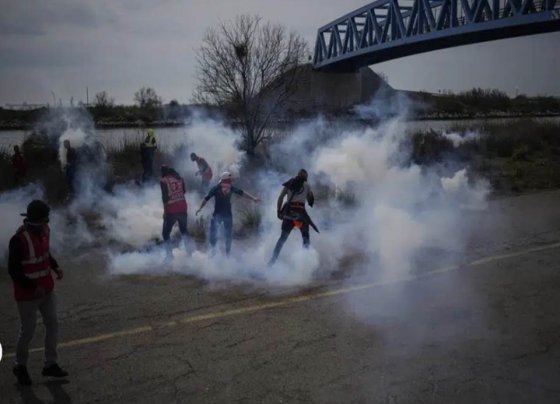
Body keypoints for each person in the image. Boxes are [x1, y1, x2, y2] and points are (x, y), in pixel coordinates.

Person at [9, 200, 68, 386]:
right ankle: (20, 366)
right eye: (45, 219)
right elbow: (14, 270)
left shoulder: (44, 232)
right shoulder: (18, 240)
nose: (48, 222)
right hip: (28, 296)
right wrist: (32, 287)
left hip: (46, 290)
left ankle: (50, 364)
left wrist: (55, 267)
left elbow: (44, 254)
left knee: (53, 324)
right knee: (27, 331)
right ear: (37, 219)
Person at [195, 172, 260, 256]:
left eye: (230, 181)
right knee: (214, 235)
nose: (230, 182)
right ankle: (214, 252)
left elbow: (242, 193)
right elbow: (206, 198)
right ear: (224, 180)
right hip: (218, 215)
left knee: (227, 235)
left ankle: (227, 255)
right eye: (228, 180)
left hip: (226, 215)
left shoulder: (228, 188)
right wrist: (200, 208)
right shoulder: (216, 189)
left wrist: (253, 198)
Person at [268, 169, 316, 266]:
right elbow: (310, 201)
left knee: (282, 239)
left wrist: (279, 210)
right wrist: (310, 196)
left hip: (288, 213)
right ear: (305, 178)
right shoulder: (307, 186)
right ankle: (305, 265)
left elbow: (281, 197)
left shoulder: (289, 184)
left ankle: (271, 262)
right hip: (301, 214)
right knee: (305, 238)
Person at [160, 165, 190, 259]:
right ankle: (190, 252)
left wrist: (165, 212)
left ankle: (169, 255)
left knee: (165, 233)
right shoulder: (180, 178)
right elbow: (184, 191)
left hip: (172, 210)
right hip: (183, 208)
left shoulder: (163, 181)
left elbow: (165, 198)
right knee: (184, 231)